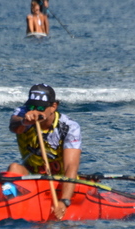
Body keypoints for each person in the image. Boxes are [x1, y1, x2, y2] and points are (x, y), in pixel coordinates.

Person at [8, 84, 81, 220]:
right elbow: (14, 126)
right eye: (32, 107)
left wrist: (64, 201)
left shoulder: (69, 126)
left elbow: (71, 166)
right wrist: (24, 121)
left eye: (41, 108)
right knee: (14, 168)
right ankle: (9, 207)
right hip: (33, 179)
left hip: (59, 182)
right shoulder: (21, 113)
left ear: (54, 106)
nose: (35, 111)